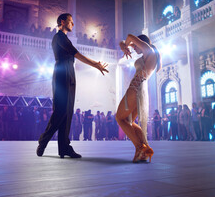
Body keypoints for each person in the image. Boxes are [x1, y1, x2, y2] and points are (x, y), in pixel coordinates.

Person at [36, 13, 108, 158]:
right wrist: (95, 64)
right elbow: (77, 54)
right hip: (63, 73)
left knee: (68, 112)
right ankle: (43, 140)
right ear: (62, 22)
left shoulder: (64, 38)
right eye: (70, 21)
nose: (73, 24)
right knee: (61, 111)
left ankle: (64, 148)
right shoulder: (59, 37)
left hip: (68, 73)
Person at [116, 33, 161, 163]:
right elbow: (123, 41)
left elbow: (129, 36)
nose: (134, 49)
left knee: (119, 118)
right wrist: (123, 46)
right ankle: (145, 149)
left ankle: (139, 147)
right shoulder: (150, 54)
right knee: (130, 122)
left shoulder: (148, 50)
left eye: (135, 46)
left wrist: (127, 44)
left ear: (141, 43)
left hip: (135, 88)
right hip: (142, 90)